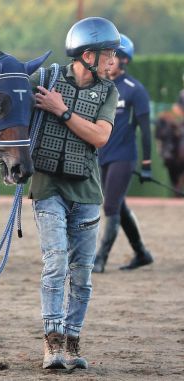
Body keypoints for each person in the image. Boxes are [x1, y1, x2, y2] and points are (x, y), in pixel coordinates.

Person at [0, 16, 119, 370]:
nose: (114, 61)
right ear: (86, 55)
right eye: (108, 54)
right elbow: (2, 97)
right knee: (56, 262)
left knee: (82, 274)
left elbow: (100, 137)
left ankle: (72, 344)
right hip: (47, 187)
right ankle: (53, 346)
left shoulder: (109, 92)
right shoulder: (44, 79)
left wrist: (61, 111)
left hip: (88, 192)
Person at [93, 34, 154, 273]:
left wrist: (147, 164)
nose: (109, 60)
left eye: (114, 56)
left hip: (123, 156)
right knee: (118, 205)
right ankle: (141, 253)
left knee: (110, 208)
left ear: (125, 60)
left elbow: (145, 130)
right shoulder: (101, 86)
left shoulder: (134, 90)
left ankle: (100, 259)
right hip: (102, 156)